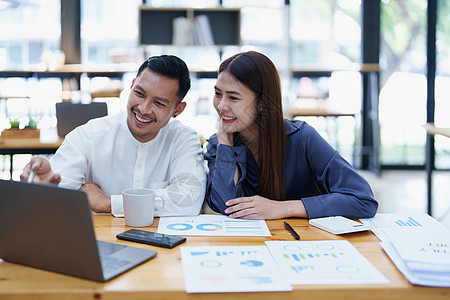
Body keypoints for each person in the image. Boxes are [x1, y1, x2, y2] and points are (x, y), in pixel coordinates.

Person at [21, 55, 206, 217]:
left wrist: (108, 203)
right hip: (99, 245)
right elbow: (58, 193)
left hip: (165, 249)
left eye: (158, 103)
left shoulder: (183, 139)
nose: (143, 108)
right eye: (139, 94)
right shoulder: (90, 135)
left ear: (178, 110)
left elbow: (189, 199)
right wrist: (46, 186)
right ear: (132, 85)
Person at [204, 51, 378, 220]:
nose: (221, 106)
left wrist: (283, 208)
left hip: (306, 242)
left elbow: (362, 200)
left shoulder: (302, 137)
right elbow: (225, 206)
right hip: (252, 245)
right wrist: (225, 143)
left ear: (262, 103)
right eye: (218, 94)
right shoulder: (218, 144)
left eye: (233, 98)